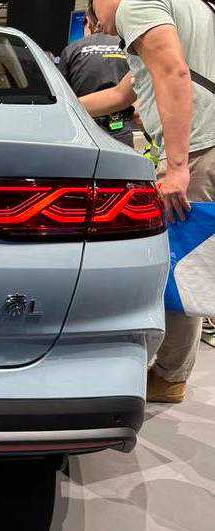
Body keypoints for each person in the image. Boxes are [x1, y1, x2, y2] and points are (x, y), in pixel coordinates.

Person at [81, 0, 215, 403]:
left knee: (182, 266)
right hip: (207, 146)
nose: (98, 27)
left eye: (94, 16)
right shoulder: (188, 5)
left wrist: (177, 167)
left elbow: (173, 72)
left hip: (197, 152)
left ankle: (170, 376)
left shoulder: (135, 6)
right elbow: (123, 93)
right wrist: (60, 108)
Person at [58, 5, 135, 147]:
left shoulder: (71, 50)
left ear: (89, 22)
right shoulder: (130, 49)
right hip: (121, 129)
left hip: (83, 129)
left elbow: (60, 93)